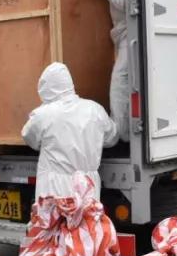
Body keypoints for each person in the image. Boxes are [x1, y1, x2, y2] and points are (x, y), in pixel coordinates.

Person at [22, 63, 118, 199]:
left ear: (45, 89)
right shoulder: (95, 110)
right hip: (87, 188)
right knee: (86, 213)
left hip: (54, 190)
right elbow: (111, 137)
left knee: (56, 214)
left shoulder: (42, 115)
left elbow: (29, 137)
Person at [92, 0, 131, 142]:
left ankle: (119, 133)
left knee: (119, 83)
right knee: (123, 83)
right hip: (120, 35)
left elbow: (123, 1)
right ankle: (123, 131)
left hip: (129, 35)